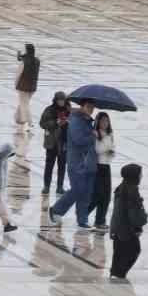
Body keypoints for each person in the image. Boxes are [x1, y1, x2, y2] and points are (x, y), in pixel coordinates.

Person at [46, 99, 98, 229]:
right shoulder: (75, 120)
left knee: (86, 193)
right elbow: (78, 140)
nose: (91, 109)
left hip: (90, 162)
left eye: (92, 107)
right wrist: (93, 136)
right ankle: (56, 210)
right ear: (82, 106)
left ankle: (82, 220)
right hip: (77, 162)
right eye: (88, 106)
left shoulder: (88, 121)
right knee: (78, 189)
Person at [109, 164, 147, 280]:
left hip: (118, 227)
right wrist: (138, 226)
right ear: (134, 176)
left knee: (119, 252)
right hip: (126, 229)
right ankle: (119, 274)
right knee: (134, 250)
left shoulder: (122, 187)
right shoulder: (132, 191)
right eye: (140, 174)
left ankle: (115, 273)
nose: (141, 176)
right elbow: (134, 212)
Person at [39, 92, 70, 196]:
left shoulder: (68, 110)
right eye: (59, 100)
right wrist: (56, 122)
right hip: (52, 142)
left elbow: (73, 123)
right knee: (49, 165)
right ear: (55, 100)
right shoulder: (49, 110)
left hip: (64, 142)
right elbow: (42, 123)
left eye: (63, 100)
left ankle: (60, 187)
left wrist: (67, 121)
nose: (61, 102)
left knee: (62, 166)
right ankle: (46, 186)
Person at [90, 112, 116, 229]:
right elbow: (97, 150)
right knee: (97, 195)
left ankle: (100, 220)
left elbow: (113, 150)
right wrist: (107, 146)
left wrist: (111, 151)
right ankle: (83, 213)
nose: (105, 123)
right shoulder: (95, 134)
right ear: (98, 122)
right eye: (102, 121)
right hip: (98, 166)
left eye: (107, 121)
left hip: (106, 166)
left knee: (106, 196)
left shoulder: (110, 134)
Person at [14, 43, 40, 126]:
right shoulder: (37, 61)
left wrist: (16, 83)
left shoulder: (24, 62)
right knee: (24, 102)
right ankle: (17, 117)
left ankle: (28, 121)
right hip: (33, 86)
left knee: (24, 104)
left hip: (23, 86)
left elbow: (19, 74)